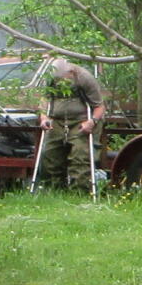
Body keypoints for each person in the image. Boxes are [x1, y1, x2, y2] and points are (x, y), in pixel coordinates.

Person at [29, 56, 104, 191]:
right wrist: (44, 117)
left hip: (80, 121)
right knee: (50, 155)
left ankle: (80, 192)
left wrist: (92, 122)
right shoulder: (50, 77)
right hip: (56, 120)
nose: (61, 81)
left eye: (63, 77)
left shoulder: (84, 77)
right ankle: (53, 191)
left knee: (80, 157)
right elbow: (45, 99)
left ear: (70, 72)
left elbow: (99, 106)